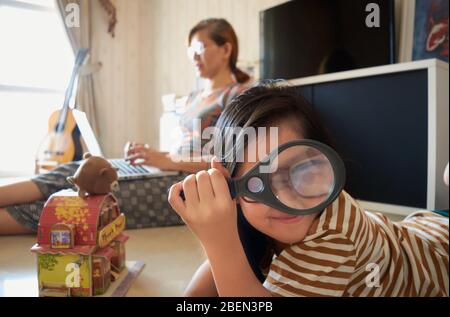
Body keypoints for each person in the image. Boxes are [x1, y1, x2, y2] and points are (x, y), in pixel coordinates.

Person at [168, 83, 449, 297]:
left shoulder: (333, 238)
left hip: (436, 258)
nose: (283, 198)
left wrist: (220, 244)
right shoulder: (249, 211)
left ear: (326, 160)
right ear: (234, 193)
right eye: (257, 183)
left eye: (301, 171)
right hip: (416, 231)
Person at [0, 18, 250, 235]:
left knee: (91, 197)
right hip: (169, 168)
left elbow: (231, 163)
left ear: (226, 49)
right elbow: (184, 149)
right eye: (190, 50)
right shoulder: (195, 96)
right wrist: (152, 155)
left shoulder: (239, 95)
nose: (193, 56)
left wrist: (167, 161)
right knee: (79, 169)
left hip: (195, 184)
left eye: (200, 47)